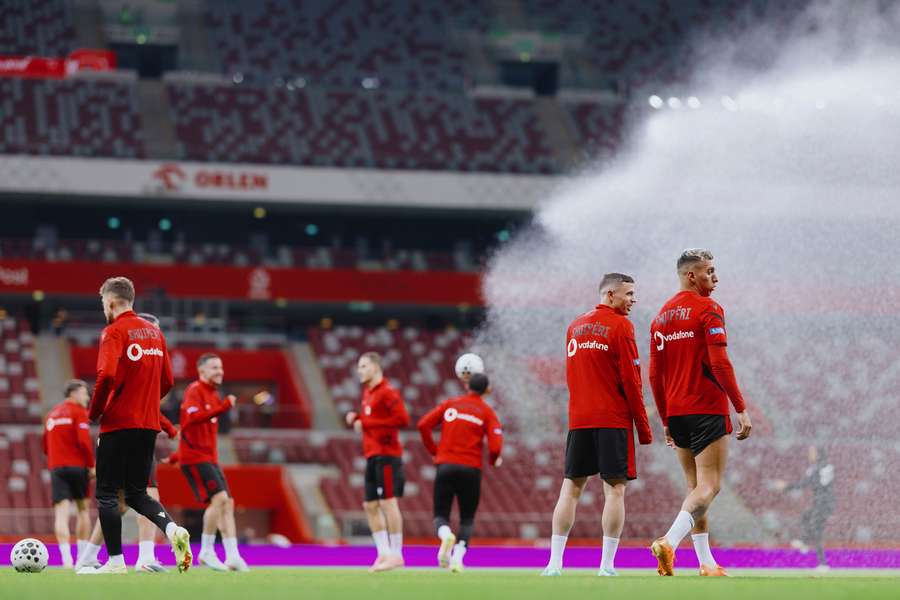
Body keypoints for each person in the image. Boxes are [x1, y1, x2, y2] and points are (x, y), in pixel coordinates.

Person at [648, 249, 752, 577]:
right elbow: (719, 363)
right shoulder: (709, 308)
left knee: (694, 488)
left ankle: (706, 562)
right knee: (710, 486)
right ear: (691, 275)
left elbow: (654, 375)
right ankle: (668, 542)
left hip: (676, 412)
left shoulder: (660, 317)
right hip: (706, 407)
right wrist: (740, 408)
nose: (715, 277)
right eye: (710, 271)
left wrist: (665, 420)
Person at [542, 272, 653, 577]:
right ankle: (606, 566)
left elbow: (571, 376)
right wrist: (644, 430)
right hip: (612, 420)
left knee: (570, 489)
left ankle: (554, 564)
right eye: (629, 294)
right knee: (615, 491)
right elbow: (632, 381)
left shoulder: (574, 326)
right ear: (610, 294)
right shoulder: (621, 326)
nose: (633, 300)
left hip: (579, 420)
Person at [79, 276, 191, 575]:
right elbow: (168, 381)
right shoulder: (155, 333)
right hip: (148, 426)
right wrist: (144, 400)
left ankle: (116, 562)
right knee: (137, 494)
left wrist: (95, 411)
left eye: (103, 303)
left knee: (106, 495)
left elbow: (105, 376)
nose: (104, 308)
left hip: (118, 424)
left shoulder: (113, 331)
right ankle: (173, 530)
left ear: (111, 302)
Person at [417, 372, 503, 572]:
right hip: (471, 469)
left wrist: (435, 452)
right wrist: (493, 460)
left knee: (441, 515)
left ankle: (446, 535)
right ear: (487, 390)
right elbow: (496, 447)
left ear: (466, 386)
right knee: (467, 518)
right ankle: (457, 558)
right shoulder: (487, 412)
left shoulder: (450, 404)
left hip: (446, 465)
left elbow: (423, 425)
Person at [177, 353, 249, 572]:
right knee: (219, 499)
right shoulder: (194, 390)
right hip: (195, 457)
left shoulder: (214, 394)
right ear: (202, 371)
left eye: (221, 367)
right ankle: (206, 551)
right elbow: (192, 418)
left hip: (209, 457)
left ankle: (233, 555)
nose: (220, 371)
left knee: (228, 503)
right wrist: (223, 407)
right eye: (214, 368)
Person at [345, 352, 410, 573]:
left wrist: (365, 423)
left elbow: (402, 419)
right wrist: (358, 419)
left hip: (387, 455)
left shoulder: (387, 392)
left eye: (363, 366)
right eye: (359, 366)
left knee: (388, 503)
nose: (359, 370)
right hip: (372, 455)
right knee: (370, 505)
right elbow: (371, 421)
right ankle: (383, 553)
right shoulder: (368, 393)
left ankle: (397, 554)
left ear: (375, 367)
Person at [43, 379, 94, 568]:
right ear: (73, 394)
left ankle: (66, 560)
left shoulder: (52, 414)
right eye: (84, 393)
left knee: (61, 514)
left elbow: (45, 445)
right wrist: (91, 465)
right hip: (78, 467)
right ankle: (82, 558)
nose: (87, 398)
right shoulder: (79, 412)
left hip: (57, 468)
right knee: (83, 510)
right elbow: (84, 442)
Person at [775, 446, 834, 571]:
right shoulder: (820, 467)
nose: (809, 455)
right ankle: (805, 543)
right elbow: (809, 482)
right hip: (820, 502)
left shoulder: (821, 467)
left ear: (818, 453)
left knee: (815, 529)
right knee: (806, 518)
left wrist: (787, 486)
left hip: (824, 503)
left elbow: (808, 483)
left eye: (812, 452)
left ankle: (820, 561)